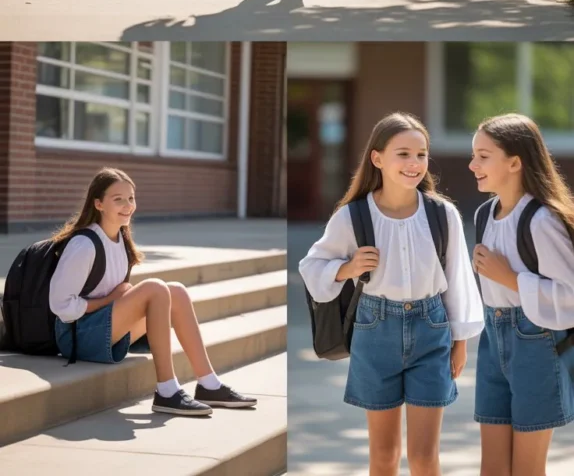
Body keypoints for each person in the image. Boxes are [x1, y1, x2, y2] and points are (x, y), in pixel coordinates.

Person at [299, 113, 484, 476]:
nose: (414, 163)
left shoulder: (441, 214)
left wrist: (459, 341)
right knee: (383, 457)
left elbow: (459, 278)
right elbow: (311, 267)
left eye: (421, 154)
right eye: (403, 154)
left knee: (424, 457)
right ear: (377, 158)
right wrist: (347, 269)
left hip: (432, 332)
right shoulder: (352, 216)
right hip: (374, 331)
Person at [49, 167, 257, 416]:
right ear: (98, 204)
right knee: (155, 288)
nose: (127, 205)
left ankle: (209, 384)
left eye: (131, 198)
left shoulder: (119, 240)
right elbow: (60, 305)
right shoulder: (84, 244)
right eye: (118, 199)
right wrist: (111, 299)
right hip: (75, 337)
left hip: (101, 328)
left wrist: (117, 298)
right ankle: (167, 391)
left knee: (176, 292)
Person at [470, 113, 574, 476]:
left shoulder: (543, 220)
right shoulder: (484, 215)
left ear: (514, 162)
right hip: (491, 342)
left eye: (483, 156)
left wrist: (511, 278)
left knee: (528, 469)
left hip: (536, 344)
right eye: (473, 155)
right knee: (493, 469)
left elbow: (570, 296)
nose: (472, 165)